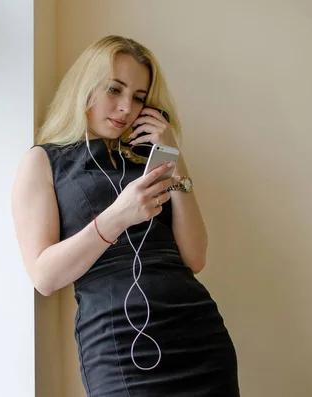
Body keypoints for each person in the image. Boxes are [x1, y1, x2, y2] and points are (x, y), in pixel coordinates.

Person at [12, 35, 239, 397]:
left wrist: (173, 155)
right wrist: (118, 216)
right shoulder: (44, 162)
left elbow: (195, 257)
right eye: (114, 90)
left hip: (198, 334)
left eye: (138, 98)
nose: (125, 108)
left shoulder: (149, 159)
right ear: (86, 87)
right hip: (118, 344)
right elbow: (44, 276)